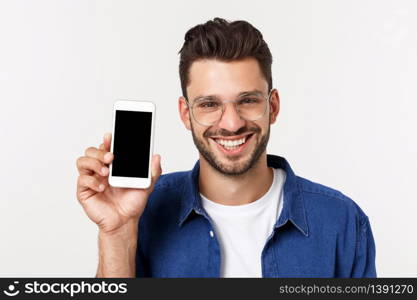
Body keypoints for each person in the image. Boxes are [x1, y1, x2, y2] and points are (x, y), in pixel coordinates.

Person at [76, 18, 376, 278]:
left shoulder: (342, 221)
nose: (231, 124)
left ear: (272, 106)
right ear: (186, 114)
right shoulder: (145, 211)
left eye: (247, 100)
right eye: (209, 104)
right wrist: (116, 231)